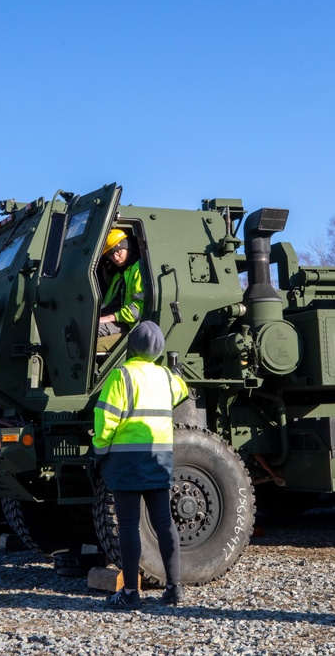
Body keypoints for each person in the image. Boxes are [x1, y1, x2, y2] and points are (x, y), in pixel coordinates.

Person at [92, 321, 188, 609]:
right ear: (158, 350)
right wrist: (177, 372)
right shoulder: (166, 377)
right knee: (164, 522)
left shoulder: (121, 376)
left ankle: (131, 592)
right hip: (158, 459)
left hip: (126, 462)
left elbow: (106, 417)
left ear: (131, 346)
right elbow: (181, 390)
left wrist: (100, 448)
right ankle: (174, 588)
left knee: (130, 524)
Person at [98, 229, 146, 338]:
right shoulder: (119, 275)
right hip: (115, 319)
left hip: (128, 324)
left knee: (90, 330)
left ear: (127, 246)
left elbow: (139, 309)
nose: (115, 257)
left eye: (118, 250)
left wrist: (109, 318)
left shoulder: (138, 270)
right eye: (110, 255)